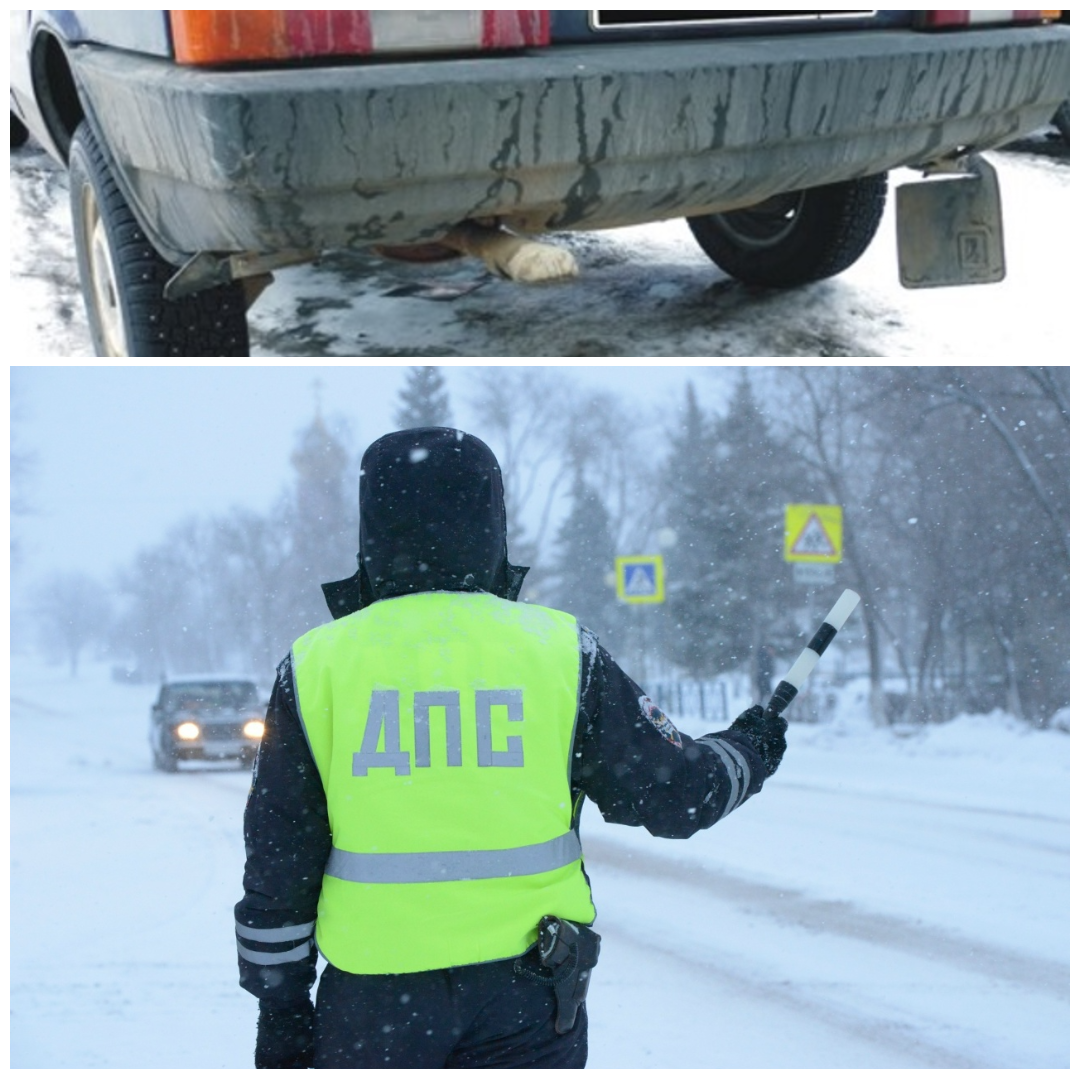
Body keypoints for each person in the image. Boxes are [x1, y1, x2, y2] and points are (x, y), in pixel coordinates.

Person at [235, 427, 788, 1069]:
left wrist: (280, 1007)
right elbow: (679, 796)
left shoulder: (317, 663)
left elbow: (280, 851)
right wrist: (750, 746)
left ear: (373, 524)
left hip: (372, 1005)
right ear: (491, 519)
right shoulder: (558, 650)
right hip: (526, 997)